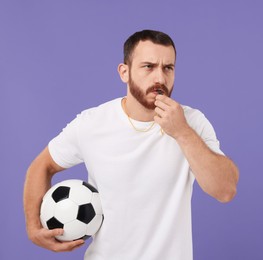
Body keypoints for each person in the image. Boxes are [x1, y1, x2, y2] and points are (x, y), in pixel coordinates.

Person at [23, 29, 239, 260]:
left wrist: (182, 132)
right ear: (124, 72)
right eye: (148, 66)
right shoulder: (92, 123)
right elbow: (41, 166)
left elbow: (225, 190)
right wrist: (34, 228)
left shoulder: (192, 122)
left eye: (168, 68)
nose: (160, 78)